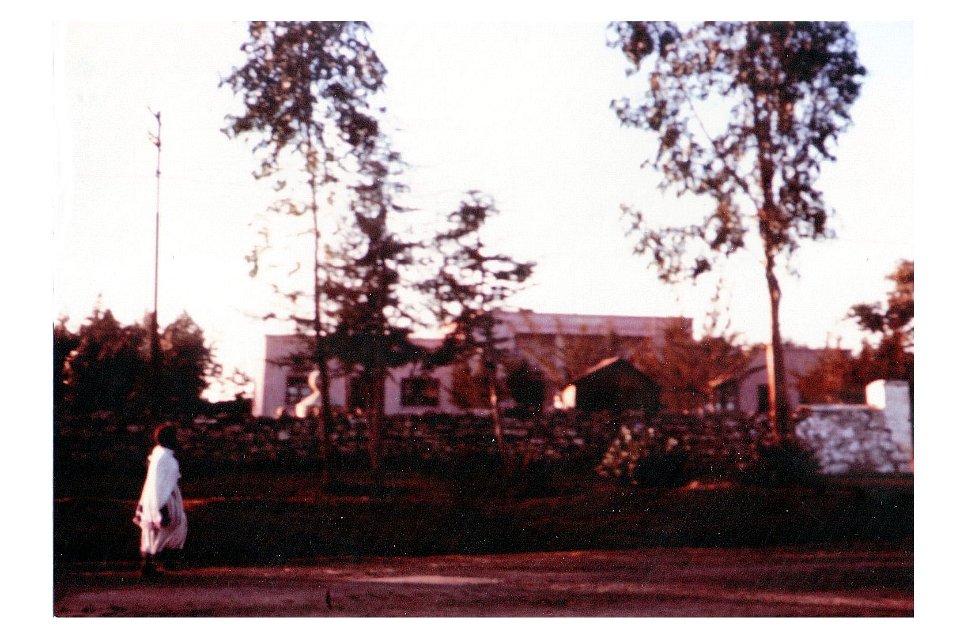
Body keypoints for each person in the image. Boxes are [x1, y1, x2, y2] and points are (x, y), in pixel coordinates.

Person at [133, 424, 188, 578]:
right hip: (162, 499)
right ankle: (152, 563)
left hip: (157, 498)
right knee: (162, 529)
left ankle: (158, 562)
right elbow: (159, 484)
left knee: (162, 530)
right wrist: (161, 508)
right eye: (176, 437)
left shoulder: (159, 455)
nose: (179, 439)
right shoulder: (166, 460)